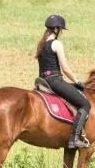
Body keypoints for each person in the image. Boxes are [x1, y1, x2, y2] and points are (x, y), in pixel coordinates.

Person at [36, 14, 91, 149]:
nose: (60, 32)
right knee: (85, 104)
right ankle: (74, 138)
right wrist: (77, 81)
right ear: (56, 29)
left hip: (42, 81)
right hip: (54, 81)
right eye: (60, 29)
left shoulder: (41, 44)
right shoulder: (56, 44)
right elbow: (65, 68)